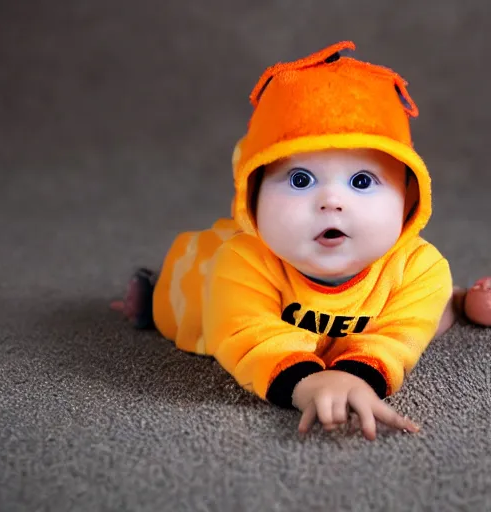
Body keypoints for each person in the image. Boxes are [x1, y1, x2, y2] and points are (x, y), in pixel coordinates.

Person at [111, 40, 491, 440]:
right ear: (252, 196)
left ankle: (463, 300)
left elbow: (401, 333)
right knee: (176, 300)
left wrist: (355, 375)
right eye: (300, 179)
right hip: (204, 296)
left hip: (376, 312)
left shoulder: (420, 269)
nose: (331, 202)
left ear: (409, 199)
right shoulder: (240, 262)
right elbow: (245, 331)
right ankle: (149, 290)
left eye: (362, 181)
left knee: (430, 307)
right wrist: (309, 382)